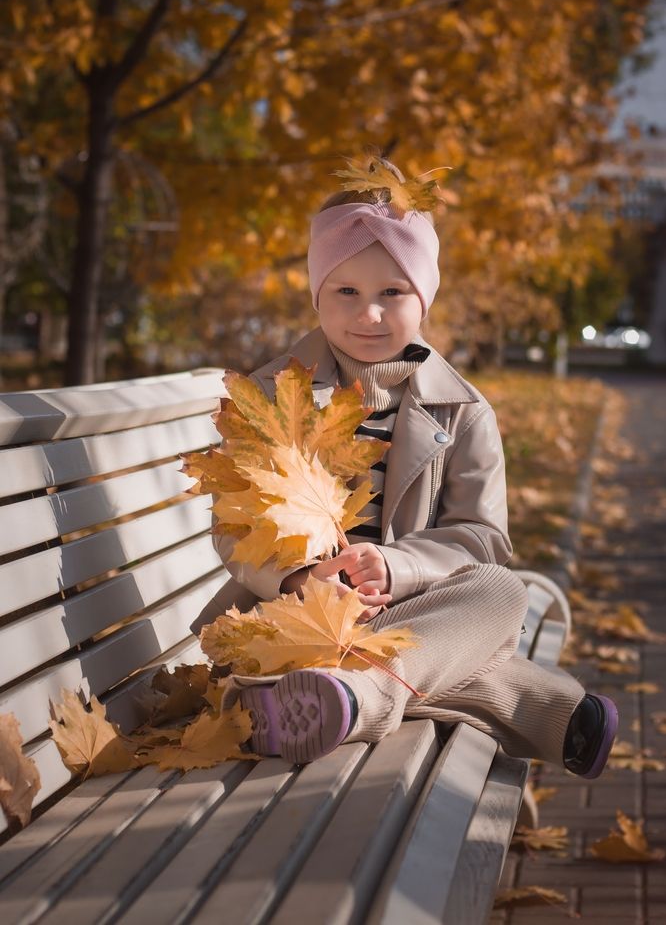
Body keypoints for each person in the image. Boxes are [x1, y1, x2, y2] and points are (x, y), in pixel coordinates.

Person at [191, 156, 618, 777]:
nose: (369, 314)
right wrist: (302, 580)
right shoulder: (271, 398)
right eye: (346, 292)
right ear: (317, 295)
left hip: (413, 611)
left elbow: (481, 537)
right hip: (292, 620)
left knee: (502, 590)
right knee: (463, 649)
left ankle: (351, 696)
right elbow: (237, 530)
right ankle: (549, 713)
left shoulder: (463, 411)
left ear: (424, 297)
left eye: (392, 292)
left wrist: (398, 566)